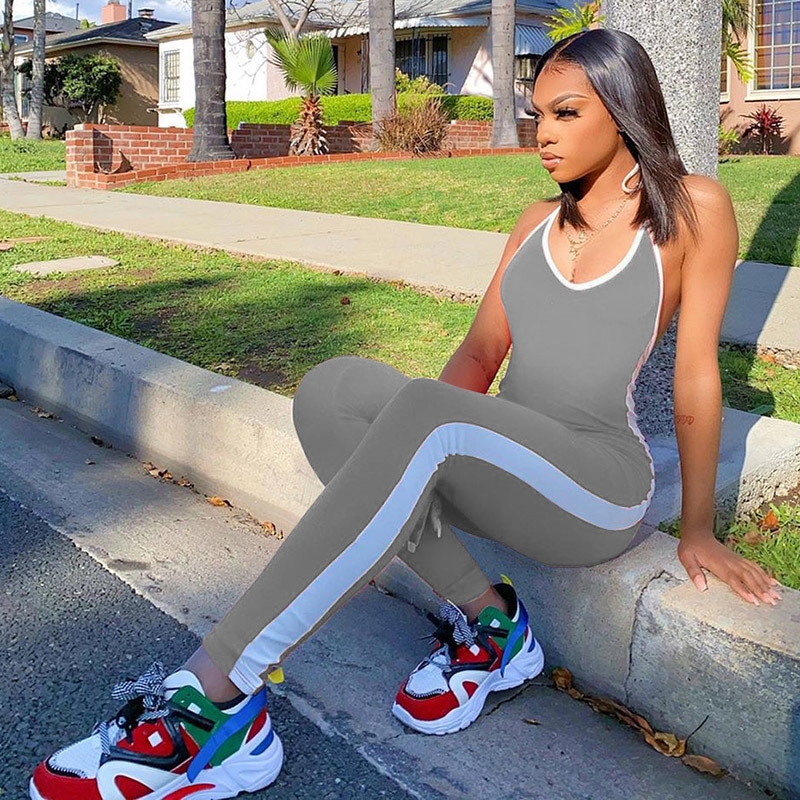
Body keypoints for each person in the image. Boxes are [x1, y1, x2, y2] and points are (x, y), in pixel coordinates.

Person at [30, 27, 784, 800]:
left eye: (565, 113)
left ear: (622, 112)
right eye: (536, 114)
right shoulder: (535, 224)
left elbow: (696, 379)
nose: (543, 133)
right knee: (332, 393)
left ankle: (214, 697)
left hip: (596, 486)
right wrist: (415, 448)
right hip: (508, 463)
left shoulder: (693, 208)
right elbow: (478, 356)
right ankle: (491, 625)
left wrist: (697, 530)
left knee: (427, 412)